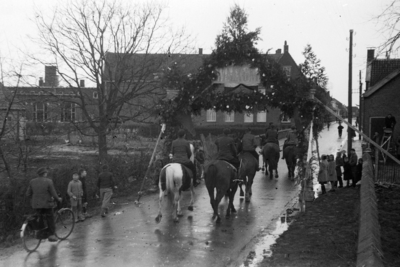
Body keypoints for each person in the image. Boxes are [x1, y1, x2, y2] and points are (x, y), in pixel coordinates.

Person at [26, 167, 62, 242]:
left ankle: (39, 233)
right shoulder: (48, 181)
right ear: (44, 174)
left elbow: (28, 194)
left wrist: (34, 200)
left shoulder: (32, 181)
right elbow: (54, 193)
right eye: (46, 173)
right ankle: (51, 235)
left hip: (36, 205)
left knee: (39, 218)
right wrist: (58, 199)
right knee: (50, 218)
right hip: (46, 204)